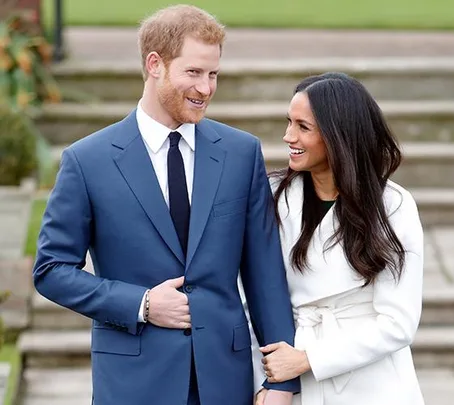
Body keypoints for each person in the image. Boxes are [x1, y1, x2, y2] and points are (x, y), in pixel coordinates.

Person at [32, 5, 299, 405]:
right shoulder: (88, 161)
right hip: (133, 382)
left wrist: (281, 382)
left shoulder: (241, 154)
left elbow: (265, 274)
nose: (206, 88)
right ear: (155, 64)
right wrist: (140, 304)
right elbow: (52, 270)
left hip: (224, 381)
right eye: (193, 72)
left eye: (213, 75)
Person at [251, 72, 425, 405]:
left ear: (338, 136)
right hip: (293, 380)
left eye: (303, 127)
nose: (288, 136)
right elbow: (255, 297)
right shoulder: (274, 197)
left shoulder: (393, 206)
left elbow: (398, 323)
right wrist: (270, 382)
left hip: (373, 384)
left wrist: (309, 359)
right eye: (289, 122)